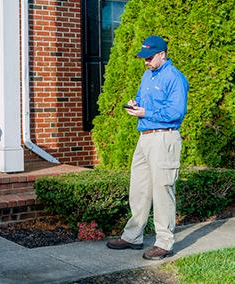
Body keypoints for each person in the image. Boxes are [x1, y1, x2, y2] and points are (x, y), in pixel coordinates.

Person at [107, 35, 189, 260]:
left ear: (162, 54)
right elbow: (141, 98)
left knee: (162, 189)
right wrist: (135, 104)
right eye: (143, 58)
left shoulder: (175, 78)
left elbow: (176, 112)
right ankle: (133, 236)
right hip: (144, 138)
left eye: (149, 57)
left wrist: (147, 113)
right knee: (139, 188)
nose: (145, 61)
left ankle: (164, 243)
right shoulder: (147, 75)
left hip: (164, 138)